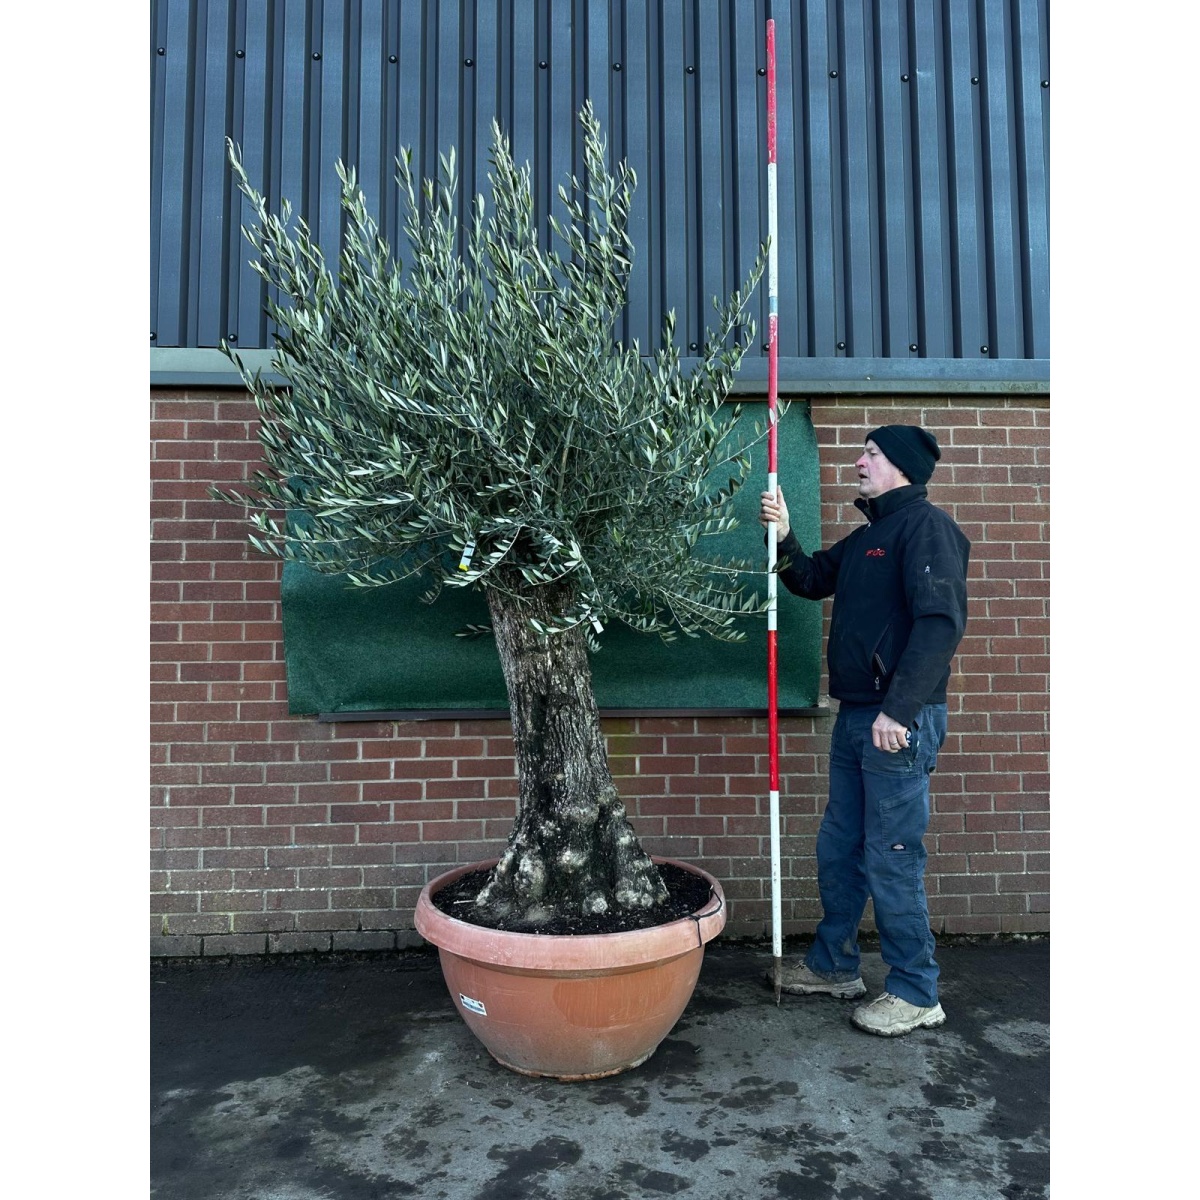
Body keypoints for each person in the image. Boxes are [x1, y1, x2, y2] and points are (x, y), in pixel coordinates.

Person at [760, 424, 970, 1037]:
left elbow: (939, 625)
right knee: (841, 847)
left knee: (891, 853)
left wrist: (898, 712)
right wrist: (784, 531)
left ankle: (915, 989)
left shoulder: (927, 529)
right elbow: (805, 578)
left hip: (895, 722)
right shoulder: (867, 539)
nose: (859, 462)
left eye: (871, 455)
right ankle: (834, 967)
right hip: (857, 717)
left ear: (900, 467)